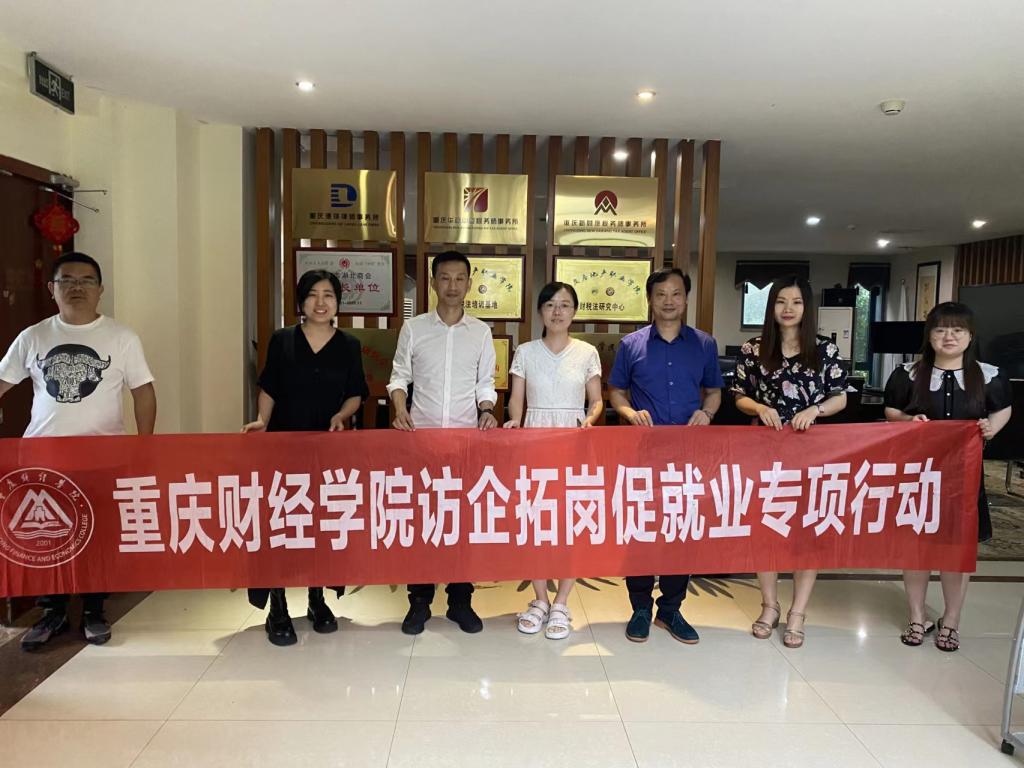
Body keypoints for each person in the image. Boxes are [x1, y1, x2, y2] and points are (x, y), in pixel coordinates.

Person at [0, 252, 157, 650]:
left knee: (98, 537)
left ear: (100, 290)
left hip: (103, 457)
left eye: (87, 280)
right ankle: (51, 612)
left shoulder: (121, 337)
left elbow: (143, 392)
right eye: (66, 280)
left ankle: (93, 610)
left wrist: (145, 445)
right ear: (51, 289)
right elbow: (2, 382)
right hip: (43, 458)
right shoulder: (33, 337)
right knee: (45, 537)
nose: (77, 287)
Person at [242, 269, 368, 646]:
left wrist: (342, 415)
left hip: (327, 450)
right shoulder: (283, 340)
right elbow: (269, 386)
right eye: (312, 294)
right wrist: (262, 420)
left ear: (338, 302)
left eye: (328, 294)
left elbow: (355, 393)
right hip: (283, 447)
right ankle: (277, 605)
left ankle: (317, 598)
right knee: (281, 523)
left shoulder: (349, 345)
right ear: (301, 301)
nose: (320, 302)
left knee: (321, 524)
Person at [884, 301, 1012, 652]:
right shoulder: (908, 374)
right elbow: (892, 409)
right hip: (918, 476)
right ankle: (916, 616)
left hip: (964, 479)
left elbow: (1003, 409)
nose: (949, 336)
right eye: (941, 329)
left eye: (958, 330)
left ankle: (951, 620)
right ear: (930, 336)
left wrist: (991, 428)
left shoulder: (989, 375)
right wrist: (907, 421)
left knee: (956, 549)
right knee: (916, 546)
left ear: (970, 336)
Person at [731, 275, 848, 649]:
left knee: (807, 531)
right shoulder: (753, 349)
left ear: (807, 307)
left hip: (812, 453)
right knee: (767, 527)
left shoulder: (824, 349)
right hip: (765, 453)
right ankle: (770, 605)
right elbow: (739, 395)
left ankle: (798, 611)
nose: (788, 309)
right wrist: (759, 407)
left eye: (796, 302)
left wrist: (816, 410)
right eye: (781, 301)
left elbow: (841, 396)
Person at [608, 267, 723, 645]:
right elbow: (616, 392)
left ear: (686, 299)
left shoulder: (704, 344)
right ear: (650, 300)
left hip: (689, 455)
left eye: (676, 294)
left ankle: (671, 609)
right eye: (661, 294)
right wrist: (628, 413)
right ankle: (640, 607)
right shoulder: (631, 345)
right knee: (641, 530)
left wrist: (707, 413)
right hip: (643, 455)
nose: (668, 301)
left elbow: (714, 392)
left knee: (681, 530)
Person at [387, 250, 498, 635]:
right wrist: (399, 407)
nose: (452, 285)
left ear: (469, 283)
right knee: (422, 523)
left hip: (467, 444)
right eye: (445, 278)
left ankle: (460, 601)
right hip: (421, 442)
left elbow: (486, 383)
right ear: (433, 282)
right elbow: (399, 376)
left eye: (459, 278)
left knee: (463, 525)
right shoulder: (414, 328)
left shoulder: (481, 332)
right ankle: (418, 602)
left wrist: (486, 409)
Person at [503, 281, 603, 639]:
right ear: (540, 311)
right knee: (535, 521)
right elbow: (516, 399)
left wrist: (589, 420)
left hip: (573, 441)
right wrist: (515, 422)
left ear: (574, 312)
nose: (557, 311)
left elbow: (596, 400)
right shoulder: (526, 352)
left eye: (564, 305)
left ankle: (562, 601)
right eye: (550, 305)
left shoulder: (587, 352)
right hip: (534, 440)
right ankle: (541, 599)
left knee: (570, 523)